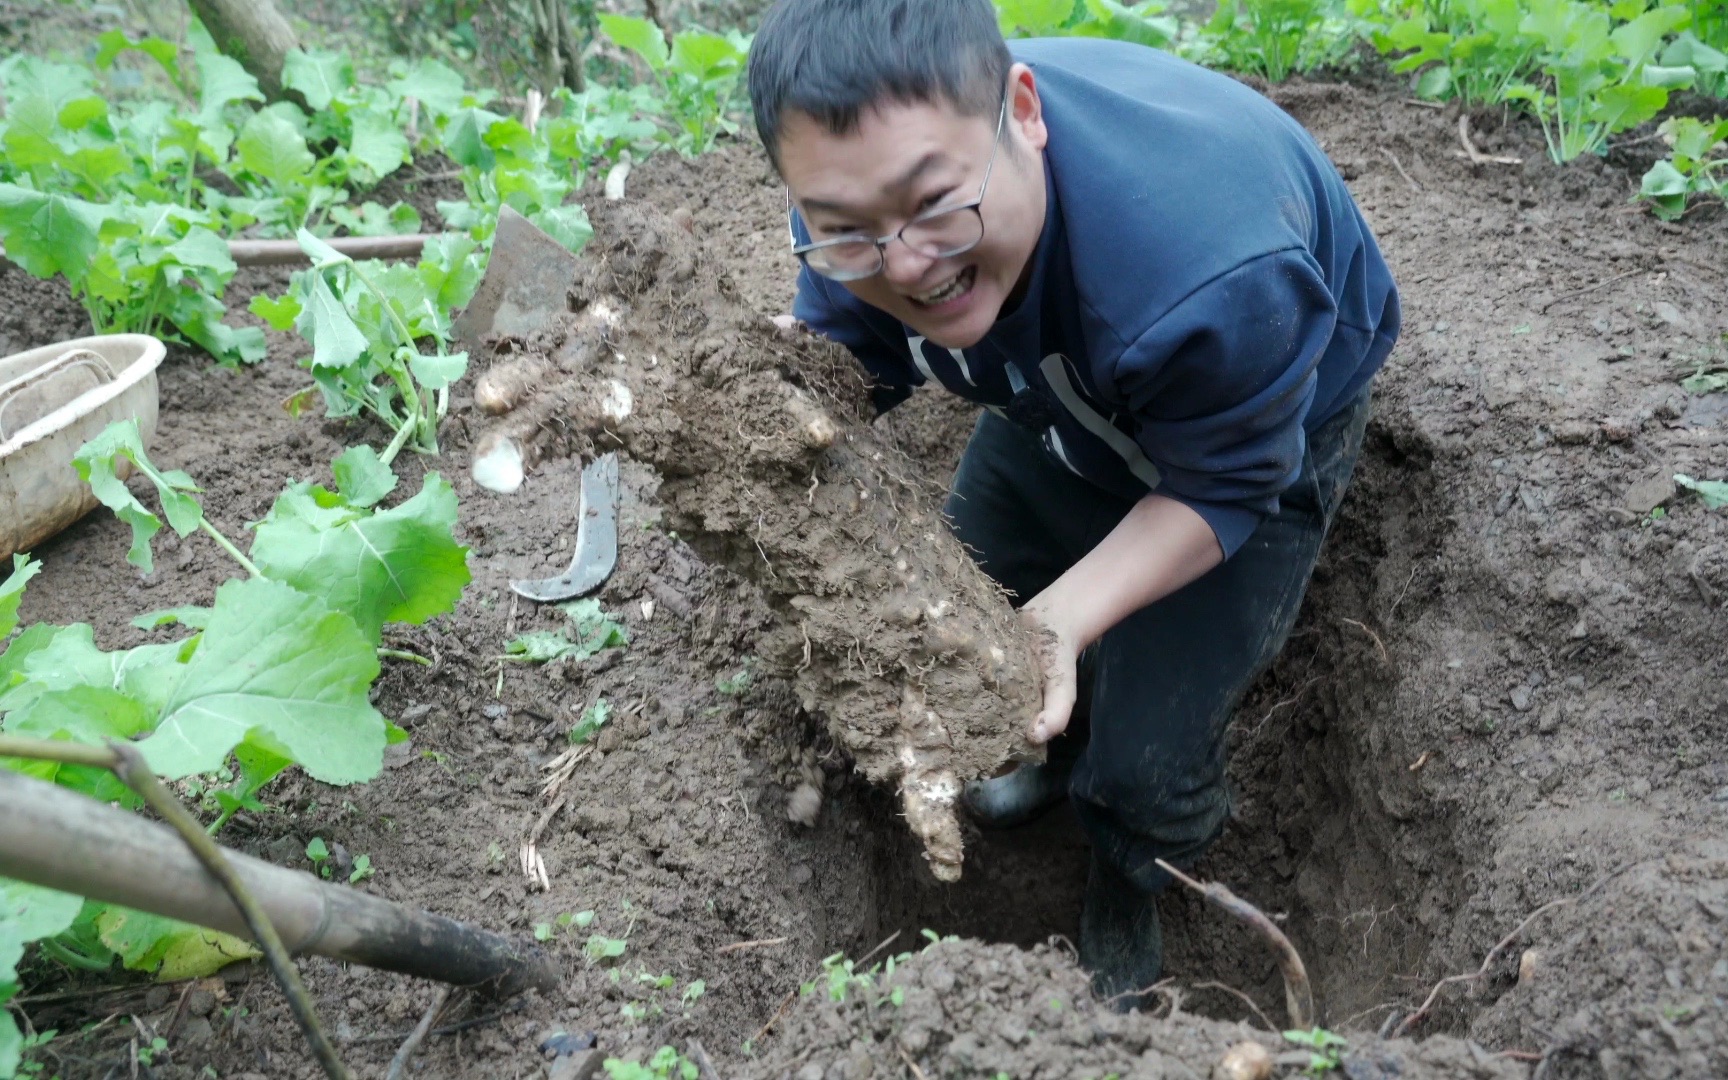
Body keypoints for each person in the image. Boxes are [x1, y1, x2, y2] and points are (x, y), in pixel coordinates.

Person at [746, 0, 1401, 1005]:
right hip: (1048, 390)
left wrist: (1061, 620)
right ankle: (1050, 763)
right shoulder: (858, 207)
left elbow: (1227, 481)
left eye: (933, 204)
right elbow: (842, 371)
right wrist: (745, 407)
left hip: (1249, 423)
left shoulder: (1213, 277)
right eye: (845, 232)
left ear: (1023, 112)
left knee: (1145, 760)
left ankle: (1129, 867)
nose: (906, 262)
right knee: (960, 601)